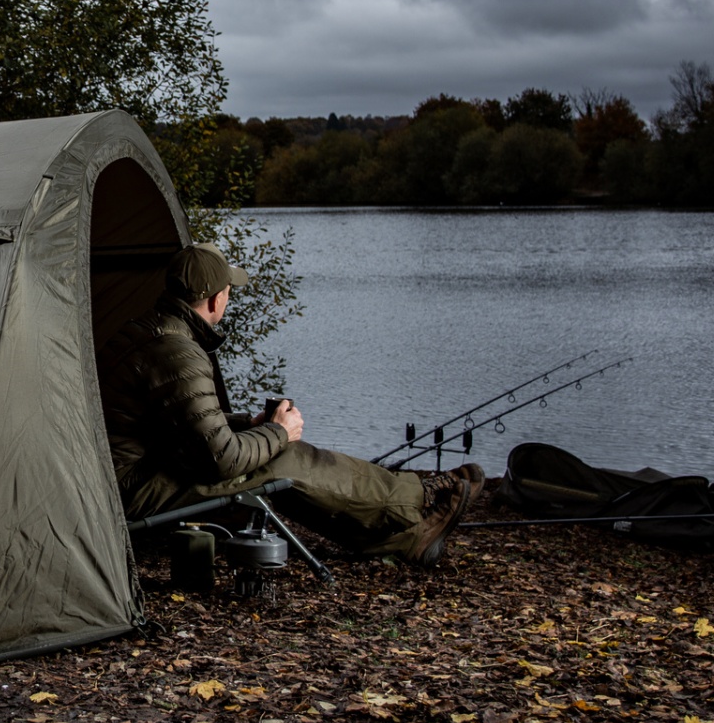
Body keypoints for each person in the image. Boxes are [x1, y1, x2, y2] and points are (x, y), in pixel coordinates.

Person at [97, 242, 483, 566]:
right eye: (229, 292)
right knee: (283, 461)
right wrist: (278, 432)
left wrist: (247, 423)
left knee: (275, 453)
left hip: (123, 478)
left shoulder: (145, 329)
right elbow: (220, 460)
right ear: (216, 298)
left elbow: (173, 420)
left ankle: (404, 526)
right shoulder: (178, 352)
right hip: (135, 492)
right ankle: (415, 503)